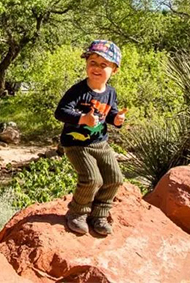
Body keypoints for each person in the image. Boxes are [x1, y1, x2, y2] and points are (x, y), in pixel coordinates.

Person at [55, 40, 127, 236]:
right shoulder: (78, 91)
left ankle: (99, 214)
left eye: (104, 65)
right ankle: (77, 213)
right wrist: (82, 119)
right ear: (86, 64)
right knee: (92, 179)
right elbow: (60, 112)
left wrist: (117, 119)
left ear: (114, 70)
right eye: (93, 62)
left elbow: (110, 114)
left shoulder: (110, 92)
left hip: (100, 142)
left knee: (115, 178)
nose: (97, 68)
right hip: (76, 144)